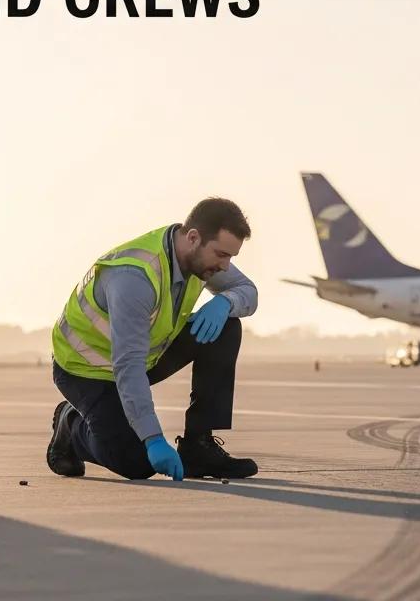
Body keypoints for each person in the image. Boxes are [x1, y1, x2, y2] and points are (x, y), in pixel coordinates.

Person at [47, 197, 260, 481]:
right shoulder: (135, 278)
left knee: (226, 326)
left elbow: (247, 289)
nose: (225, 266)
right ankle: (71, 425)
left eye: (230, 257)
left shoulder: (196, 259)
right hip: (86, 369)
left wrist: (226, 302)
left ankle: (199, 447)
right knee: (138, 463)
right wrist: (153, 438)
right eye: (221, 255)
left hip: (145, 356)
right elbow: (128, 365)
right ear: (194, 238)